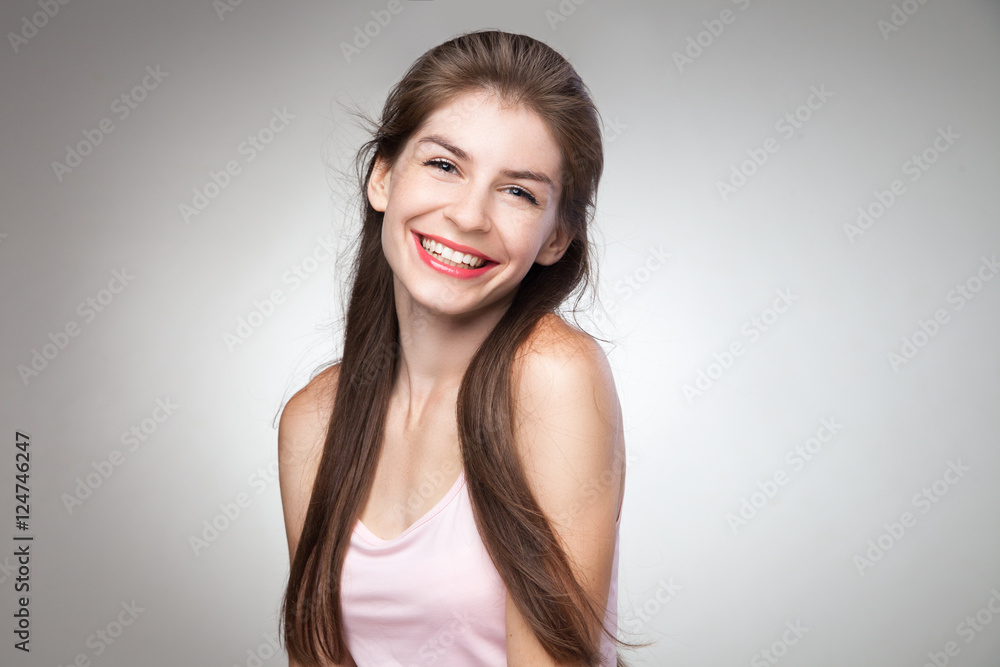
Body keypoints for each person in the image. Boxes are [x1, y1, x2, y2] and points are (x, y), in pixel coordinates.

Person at [277, 29, 640, 666]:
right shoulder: (313, 420)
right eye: (445, 165)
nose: (470, 216)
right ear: (383, 178)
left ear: (556, 237)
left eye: (518, 192)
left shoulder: (553, 377)